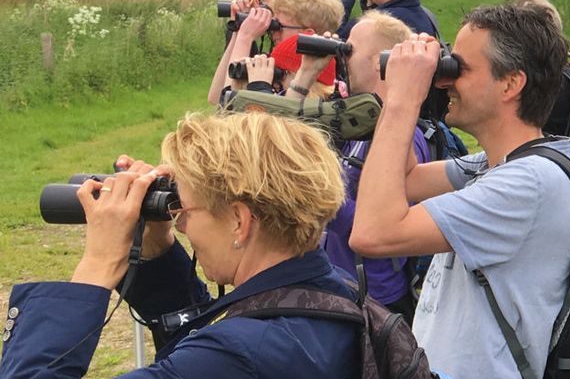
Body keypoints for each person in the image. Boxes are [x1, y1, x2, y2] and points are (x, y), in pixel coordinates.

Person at [0, 112, 361, 378]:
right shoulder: (334, 292)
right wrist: (157, 249)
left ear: (240, 220)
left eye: (184, 209)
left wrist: (98, 264)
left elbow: (218, 350)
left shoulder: (240, 354)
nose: (181, 224)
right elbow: (211, 329)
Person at [349, 3, 570, 377]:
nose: (445, 80)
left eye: (460, 68)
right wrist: (396, 90)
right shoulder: (495, 164)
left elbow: (372, 232)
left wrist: (403, 102)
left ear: (510, 83)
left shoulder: (528, 183)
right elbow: (404, 179)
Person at [295, 11, 433, 322]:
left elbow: (390, 219)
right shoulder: (360, 122)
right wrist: (306, 74)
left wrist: (319, 194)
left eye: (349, 50)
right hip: (341, 286)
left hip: (377, 300)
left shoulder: (403, 135)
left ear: (379, 62)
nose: (341, 57)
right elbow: (279, 138)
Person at [208, 0, 344, 106]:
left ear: (307, 33)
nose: (273, 32)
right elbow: (215, 98)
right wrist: (237, 30)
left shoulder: (297, 74)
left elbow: (227, 105)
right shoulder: (280, 64)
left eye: (278, 26)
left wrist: (245, 37)